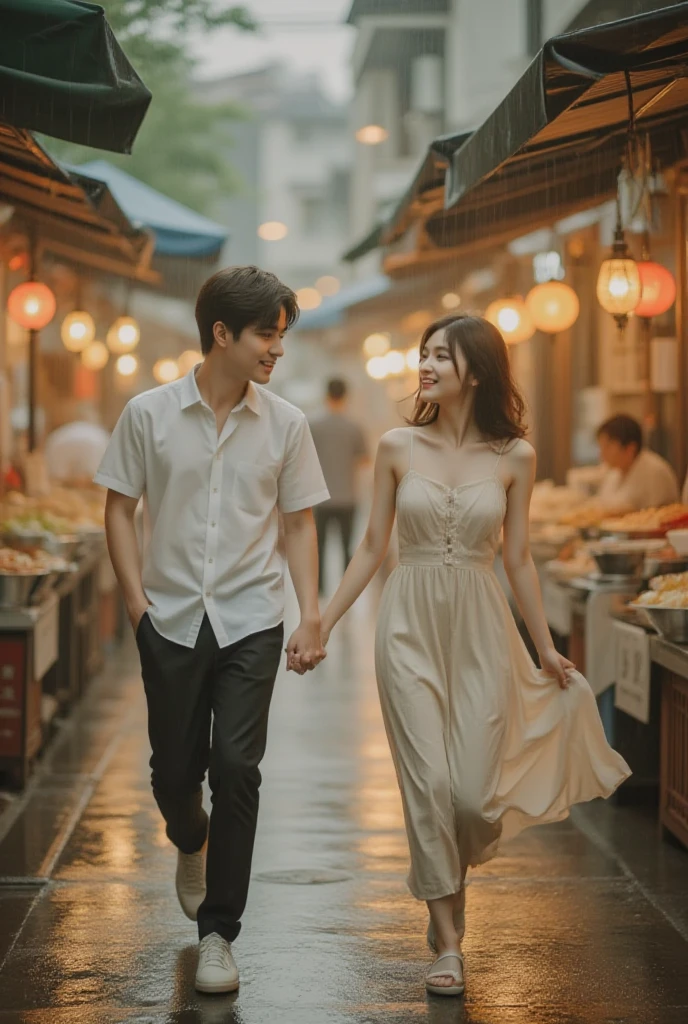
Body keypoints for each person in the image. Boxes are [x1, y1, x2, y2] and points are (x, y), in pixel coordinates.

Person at [315, 314, 630, 999]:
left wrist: (545, 647)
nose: (425, 365)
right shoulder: (397, 445)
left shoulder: (515, 456)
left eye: (441, 357)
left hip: (485, 625)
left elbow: (516, 559)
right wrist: (324, 622)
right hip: (408, 624)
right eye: (423, 354)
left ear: (477, 372)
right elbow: (372, 546)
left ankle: (446, 894)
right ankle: (450, 940)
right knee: (428, 783)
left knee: (471, 793)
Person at [94, 266, 330, 995]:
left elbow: (298, 523)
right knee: (173, 776)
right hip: (168, 619)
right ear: (221, 334)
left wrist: (310, 611)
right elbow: (118, 509)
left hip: (252, 619)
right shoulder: (148, 414)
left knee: (236, 766)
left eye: (282, 335)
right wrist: (137, 607)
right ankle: (188, 838)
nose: (277, 350)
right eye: (267, 333)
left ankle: (220, 933)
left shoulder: (287, 423)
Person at [309, 378, 369, 593]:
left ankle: (320, 590)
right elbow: (363, 460)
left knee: (320, 547)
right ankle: (346, 590)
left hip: (321, 498)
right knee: (346, 547)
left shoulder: (313, 425)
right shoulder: (354, 427)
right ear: (345, 396)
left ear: (326, 395)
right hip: (347, 497)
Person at [596, 414, 679, 511]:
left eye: (607, 447)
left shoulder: (655, 472)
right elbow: (602, 506)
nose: (602, 455)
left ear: (630, 448)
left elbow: (658, 516)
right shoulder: (614, 473)